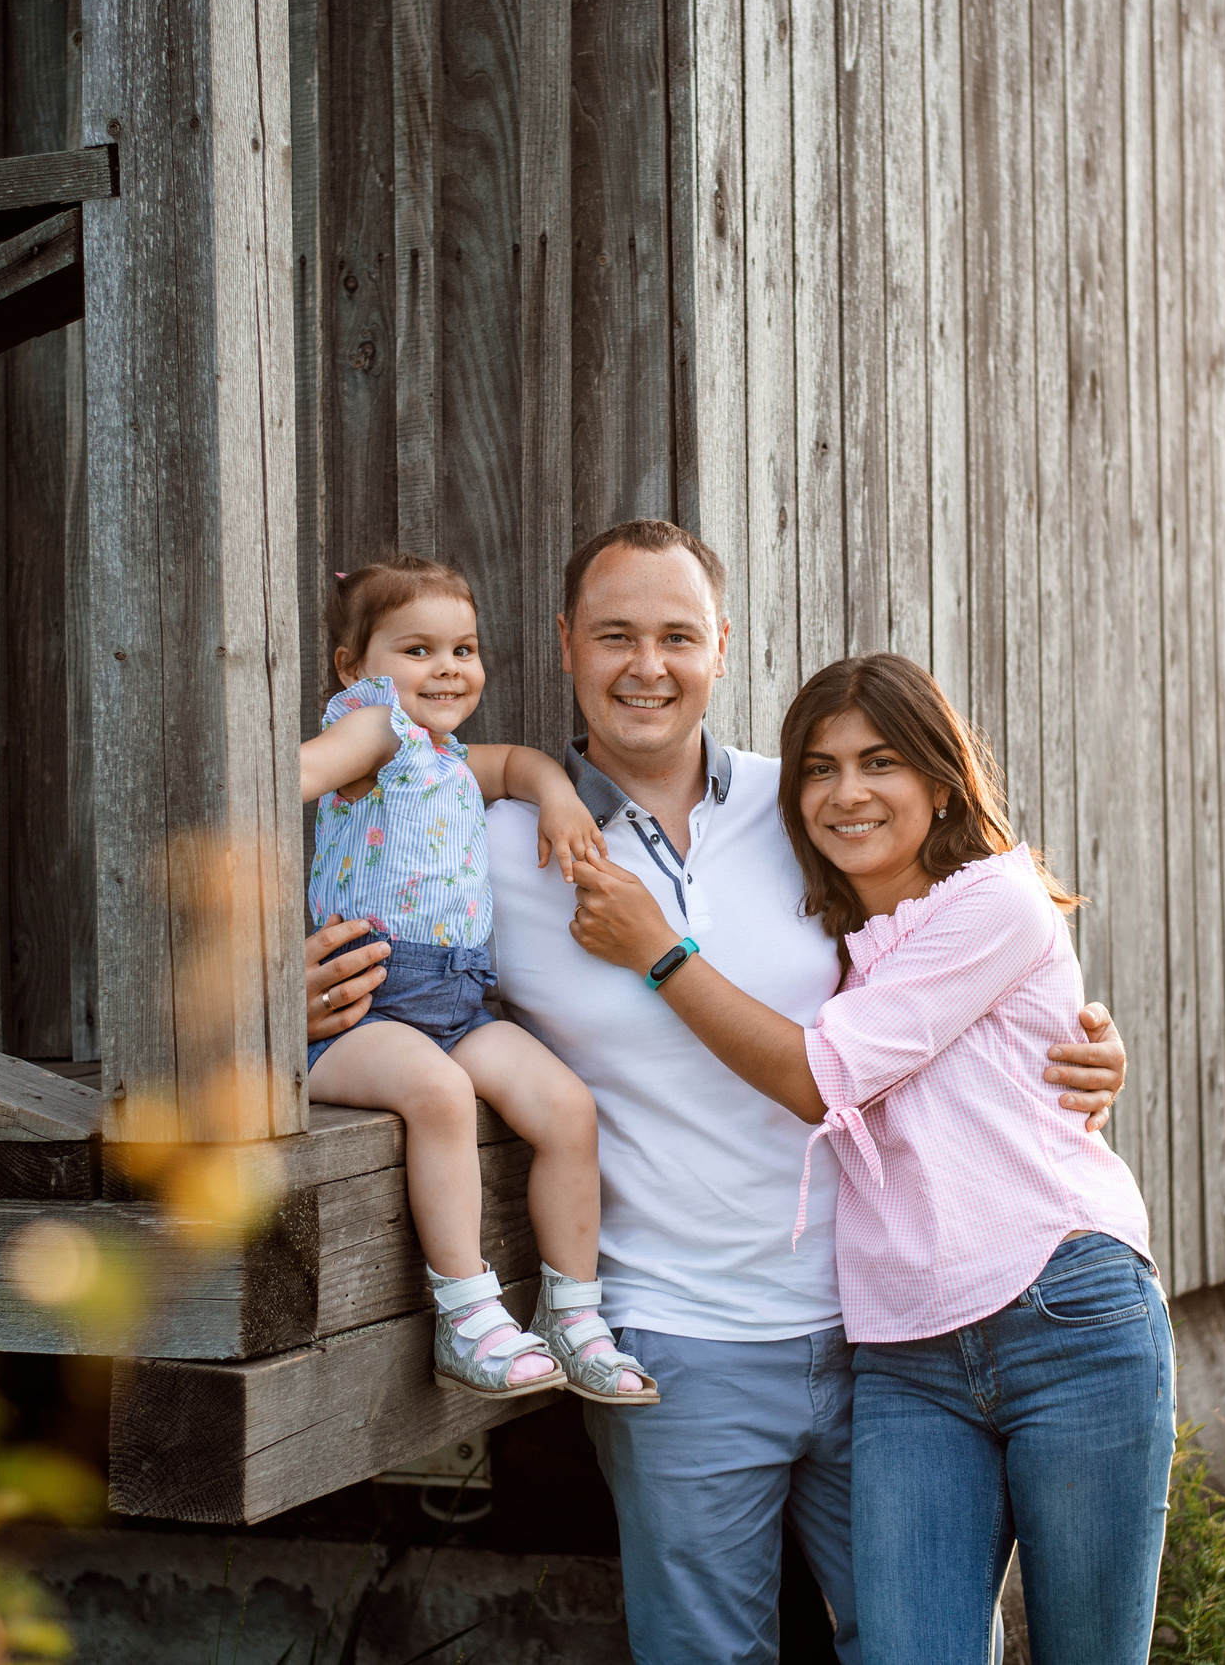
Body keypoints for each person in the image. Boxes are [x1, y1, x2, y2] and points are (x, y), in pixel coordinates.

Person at [301, 523, 1134, 1665]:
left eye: (678, 635)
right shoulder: (487, 841)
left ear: (722, 647)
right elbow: (379, 948)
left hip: (885, 1331)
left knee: (936, 1648)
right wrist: (288, 999)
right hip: (673, 1334)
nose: (648, 664)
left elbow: (953, 949)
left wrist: (1081, 1036)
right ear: (563, 646)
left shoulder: (811, 811)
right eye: (615, 635)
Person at [566, 651, 1173, 1665]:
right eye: (818, 767)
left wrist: (659, 951)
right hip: (904, 1354)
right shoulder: (838, 941)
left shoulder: (995, 900)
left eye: (878, 761)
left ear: (940, 782)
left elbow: (819, 1074)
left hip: (1062, 1314)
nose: (845, 792)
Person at [299, 555, 657, 1405]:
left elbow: (521, 765)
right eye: (417, 649)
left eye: (463, 648)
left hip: (459, 1001)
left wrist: (560, 799)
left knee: (568, 1107)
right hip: (362, 1011)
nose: (449, 667)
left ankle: (571, 1313)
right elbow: (294, 774)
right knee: (439, 1094)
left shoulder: (446, 755)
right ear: (356, 666)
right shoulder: (377, 730)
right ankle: (467, 1312)